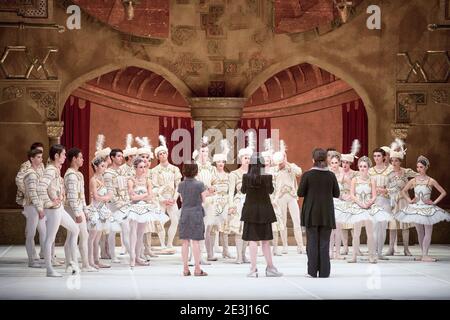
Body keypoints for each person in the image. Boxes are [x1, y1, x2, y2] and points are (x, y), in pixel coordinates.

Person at [335, 156, 391, 264]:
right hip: (357, 206)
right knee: (356, 233)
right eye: (360, 166)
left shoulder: (372, 180)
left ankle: (371, 255)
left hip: (369, 207)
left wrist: (369, 203)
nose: (362, 168)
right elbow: (352, 194)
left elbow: (374, 195)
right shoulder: (355, 180)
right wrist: (359, 203)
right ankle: (354, 256)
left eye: (364, 166)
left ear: (368, 168)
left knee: (370, 233)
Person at [37, 144, 80, 277]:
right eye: (63, 154)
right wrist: (49, 202)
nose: (65, 157)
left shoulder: (55, 169)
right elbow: (40, 187)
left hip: (59, 208)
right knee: (50, 238)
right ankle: (49, 269)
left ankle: (70, 263)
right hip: (53, 209)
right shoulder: (50, 170)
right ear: (56, 156)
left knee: (75, 229)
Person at [398, 155, 449, 262]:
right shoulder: (414, 180)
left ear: (426, 167)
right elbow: (403, 191)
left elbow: (443, 192)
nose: (419, 169)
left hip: (427, 209)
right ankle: (423, 254)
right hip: (416, 209)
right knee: (420, 232)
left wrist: (434, 202)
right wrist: (409, 200)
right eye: (417, 167)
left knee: (428, 232)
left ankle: (425, 254)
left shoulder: (431, 180)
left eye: (421, 167)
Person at [298, 148, 339, 278]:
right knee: (325, 243)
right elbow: (336, 194)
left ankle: (311, 272)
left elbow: (300, 193)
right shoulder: (331, 175)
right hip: (326, 213)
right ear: (326, 160)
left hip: (311, 213)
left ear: (313, 160)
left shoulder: (307, 175)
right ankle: (324, 272)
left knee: (312, 243)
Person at [241, 153, 282, 278]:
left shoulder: (246, 177)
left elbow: (243, 190)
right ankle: (270, 268)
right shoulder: (267, 176)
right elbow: (271, 191)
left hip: (250, 211)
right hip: (265, 211)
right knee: (265, 241)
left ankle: (253, 269)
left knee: (252, 241)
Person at [64, 147, 97, 272]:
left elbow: (81, 195)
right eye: (81, 157)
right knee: (77, 235)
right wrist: (78, 213)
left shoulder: (79, 174)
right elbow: (72, 196)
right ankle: (79, 264)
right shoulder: (71, 175)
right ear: (74, 159)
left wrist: (85, 210)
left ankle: (79, 263)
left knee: (81, 235)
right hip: (72, 209)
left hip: (78, 208)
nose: (83, 160)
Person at [273, 140, 305, 254]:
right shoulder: (274, 170)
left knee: (297, 221)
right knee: (282, 222)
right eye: (279, 162)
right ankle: (285, 245)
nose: (280, 164)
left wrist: (287, 163)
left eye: (282, 161)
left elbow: (299, 172)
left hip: (291, 196)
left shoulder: (291, 166)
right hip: (280, 197)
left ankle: (300, 245)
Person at [386, 139, 416, 256]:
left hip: (403, 200)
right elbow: (385, 186)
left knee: (404, 226)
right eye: (392, 160)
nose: (393, 163)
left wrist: (414, 187)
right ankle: (391, 249)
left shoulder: (405, 172)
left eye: (396, 161)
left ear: (400, 162)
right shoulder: (388, 173)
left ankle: (406, 249)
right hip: (392, 200)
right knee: (392, 226)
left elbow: (418, 176)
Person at [152, 135, 182, 253]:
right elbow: (154, 187)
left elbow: (178, 184)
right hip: (160, 199)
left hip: (172, 198)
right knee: (160, 221)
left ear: (167, 154)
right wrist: (161, 199)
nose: (163, 155)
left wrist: (174, 198)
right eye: (160, 154)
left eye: (164, 153)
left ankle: (170, 243)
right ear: (157, 156)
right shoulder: (154, 170)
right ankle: (162, 244)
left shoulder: (174, 169)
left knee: (174, 220)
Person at [178, 162, 209, 276]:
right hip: (196, 213)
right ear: (196, 172)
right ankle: (197, 269)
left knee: (185, 242)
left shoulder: (181, 185)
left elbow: (181, 199)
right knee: (195, 242)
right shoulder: (200, 184)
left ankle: (185, 269)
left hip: (184, 213)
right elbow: (204, 200)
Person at [87, 157, 112, 269]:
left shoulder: (102, 179)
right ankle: (89, 261)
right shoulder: (93, 180)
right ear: (96, 167)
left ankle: (96, 260)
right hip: (95, 210)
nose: (104, 168)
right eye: (102, 166)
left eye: (104, 166)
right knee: (92, 238)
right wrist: (106, 198)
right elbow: (96, 197)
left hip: (102, 210)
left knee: (97, 238)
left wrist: (106, 198)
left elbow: (106, 195)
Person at [22, 148, 46, 267]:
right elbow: (32, 192)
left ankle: (45, 256)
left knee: (43, 231)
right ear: (31, 159)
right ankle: (31, 260)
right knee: (31, 233)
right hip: (32, 206)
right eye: (38, 157)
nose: (41, 159)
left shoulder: (38, 172)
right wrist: (39, 208)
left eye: (41, 157)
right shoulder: (31, 173)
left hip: (37, 205)